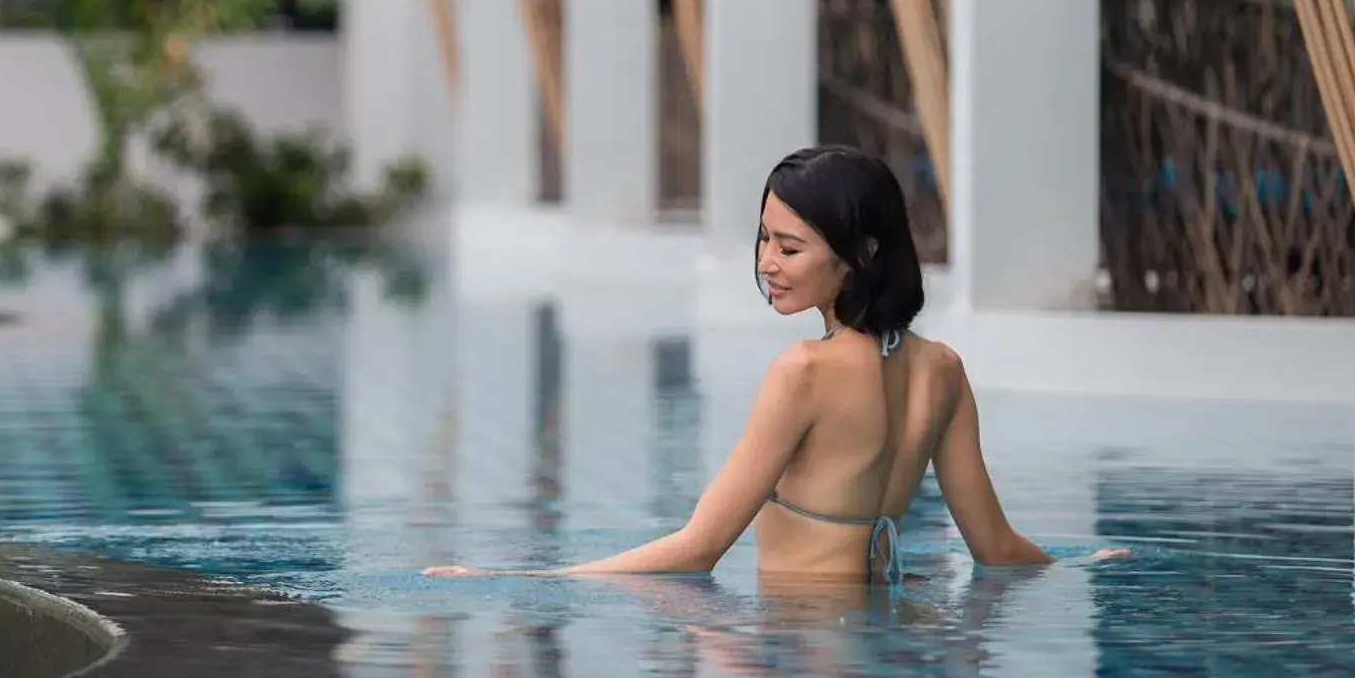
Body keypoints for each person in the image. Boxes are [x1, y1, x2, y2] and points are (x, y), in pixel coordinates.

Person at [425, 144, 1126, 582]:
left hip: (802, 655)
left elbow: (699, 549)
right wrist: (1083, 561)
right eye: (763, 239)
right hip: (893, 640)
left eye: (790, 248)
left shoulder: (803, 372)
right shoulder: (942, 370)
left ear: (862, 255)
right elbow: (996, 548)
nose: (766, 263)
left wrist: (519, 581)